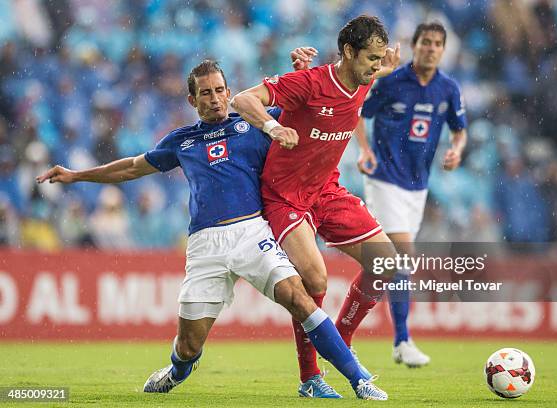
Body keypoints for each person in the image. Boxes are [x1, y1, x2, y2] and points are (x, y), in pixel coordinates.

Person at [36, 58, 388, 400]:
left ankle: (360, 382)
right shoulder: (182, 141)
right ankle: (178, 369)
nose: (215, 98)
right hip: (206, 245)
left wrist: (303, 74)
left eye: (220, 90)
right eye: (205, 93)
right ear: (192, 100)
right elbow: (131, 168)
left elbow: (308, 111)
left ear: (228, 91)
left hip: (253, 234)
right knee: (189, 345)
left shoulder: (253, 125)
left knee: (301, 296)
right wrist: (76, 175)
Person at [231, 15, 402, 397]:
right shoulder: (308, 82)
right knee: (316, 280)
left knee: (385, 263)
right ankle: (310, 378)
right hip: (285, 196)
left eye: (379, 60)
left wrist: (388, 65)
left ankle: (339, 338)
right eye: (370, 59)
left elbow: (381, 68)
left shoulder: (362, 77)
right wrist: (273, 128)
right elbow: (241, 99)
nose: (376, 67)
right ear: (347, 52)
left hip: (326, 190)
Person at [355, 22, 468, 367]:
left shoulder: (448, 88)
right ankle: (402, 340)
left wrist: (456, 150)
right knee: (404, 256)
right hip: (384, 178)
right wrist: (363, 150)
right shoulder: (390, 81)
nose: (431, 49)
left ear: (443, 50)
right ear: (414, 45)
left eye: (437, 44)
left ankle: (342, 326)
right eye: (425, 43)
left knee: (387, 266)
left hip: (418, 187)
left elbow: (459, 130)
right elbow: (358, 114)